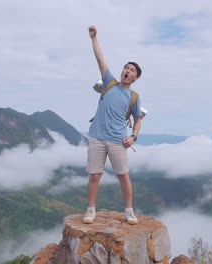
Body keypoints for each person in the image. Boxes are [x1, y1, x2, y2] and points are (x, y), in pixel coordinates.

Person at [83, 25, 143, 225]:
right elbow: (100, 59)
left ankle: (129, 211)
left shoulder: (134, 97)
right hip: (97, 137)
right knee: (94, 176)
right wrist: (94, 38)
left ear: (135, 78)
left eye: (132, 70)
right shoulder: (109, 82)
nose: (127, 71)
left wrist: (133, 137)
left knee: (124, 177)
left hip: (118, 140)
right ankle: (91, 210)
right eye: (126, 67)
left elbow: (138, 119)